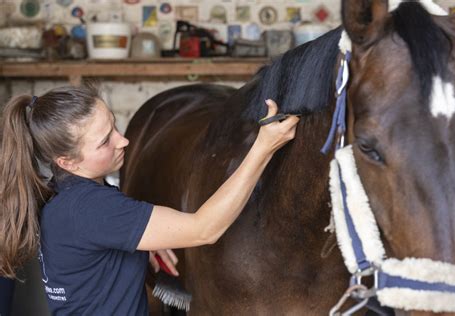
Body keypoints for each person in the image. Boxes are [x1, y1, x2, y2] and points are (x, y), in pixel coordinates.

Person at [0, 84, 299, 315]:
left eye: (114, 126)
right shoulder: (92, 208)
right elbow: (205, 229)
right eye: (105, 141)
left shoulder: (65, 195)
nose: (123, 140)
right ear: (67, 161)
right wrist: (263, 148)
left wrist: (136, 248)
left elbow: (95, 250)